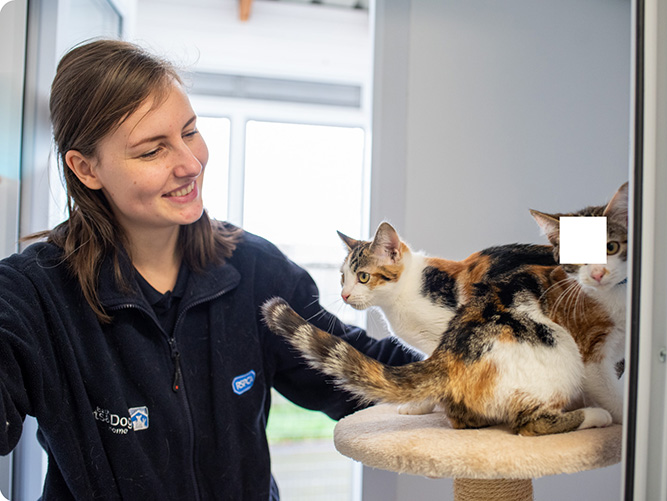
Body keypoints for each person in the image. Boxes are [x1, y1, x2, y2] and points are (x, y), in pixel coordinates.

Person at [0, 38, 417, 500]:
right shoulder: (32, 294)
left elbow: (366, 373)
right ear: (86, 169)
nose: (190, 163)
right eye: (152, 150)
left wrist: (477, 370)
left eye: (190, 131)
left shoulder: (256, 270)